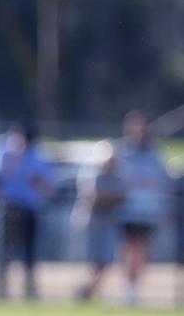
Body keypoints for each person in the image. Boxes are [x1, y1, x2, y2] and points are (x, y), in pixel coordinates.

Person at [115, 110, 171, 305]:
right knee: (128, 248)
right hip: (127, 210)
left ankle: (135, 286)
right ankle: (127, 287)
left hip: (148, 211)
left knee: (142, 249)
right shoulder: (122, 151)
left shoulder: (155, 154)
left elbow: (162, 180)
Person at [0, 124, 52, 300]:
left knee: (29, 252)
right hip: (9, 207)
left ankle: (30, 290)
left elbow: (47, 186)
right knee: (5, 252)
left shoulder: (37, 157)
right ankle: (1, 290)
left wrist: (38, 181)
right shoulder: (5, 154)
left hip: (29, 209)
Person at [73, 144, 126, 300]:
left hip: (108, 221)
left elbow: (122, 198)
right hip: (93, 221)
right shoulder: (94, 176)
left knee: (105, 259)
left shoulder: (117, 178)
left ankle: (88, 291)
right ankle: (85, 291)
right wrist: (111, 198)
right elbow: (96, 198)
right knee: (94, 259)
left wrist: (109, 198)